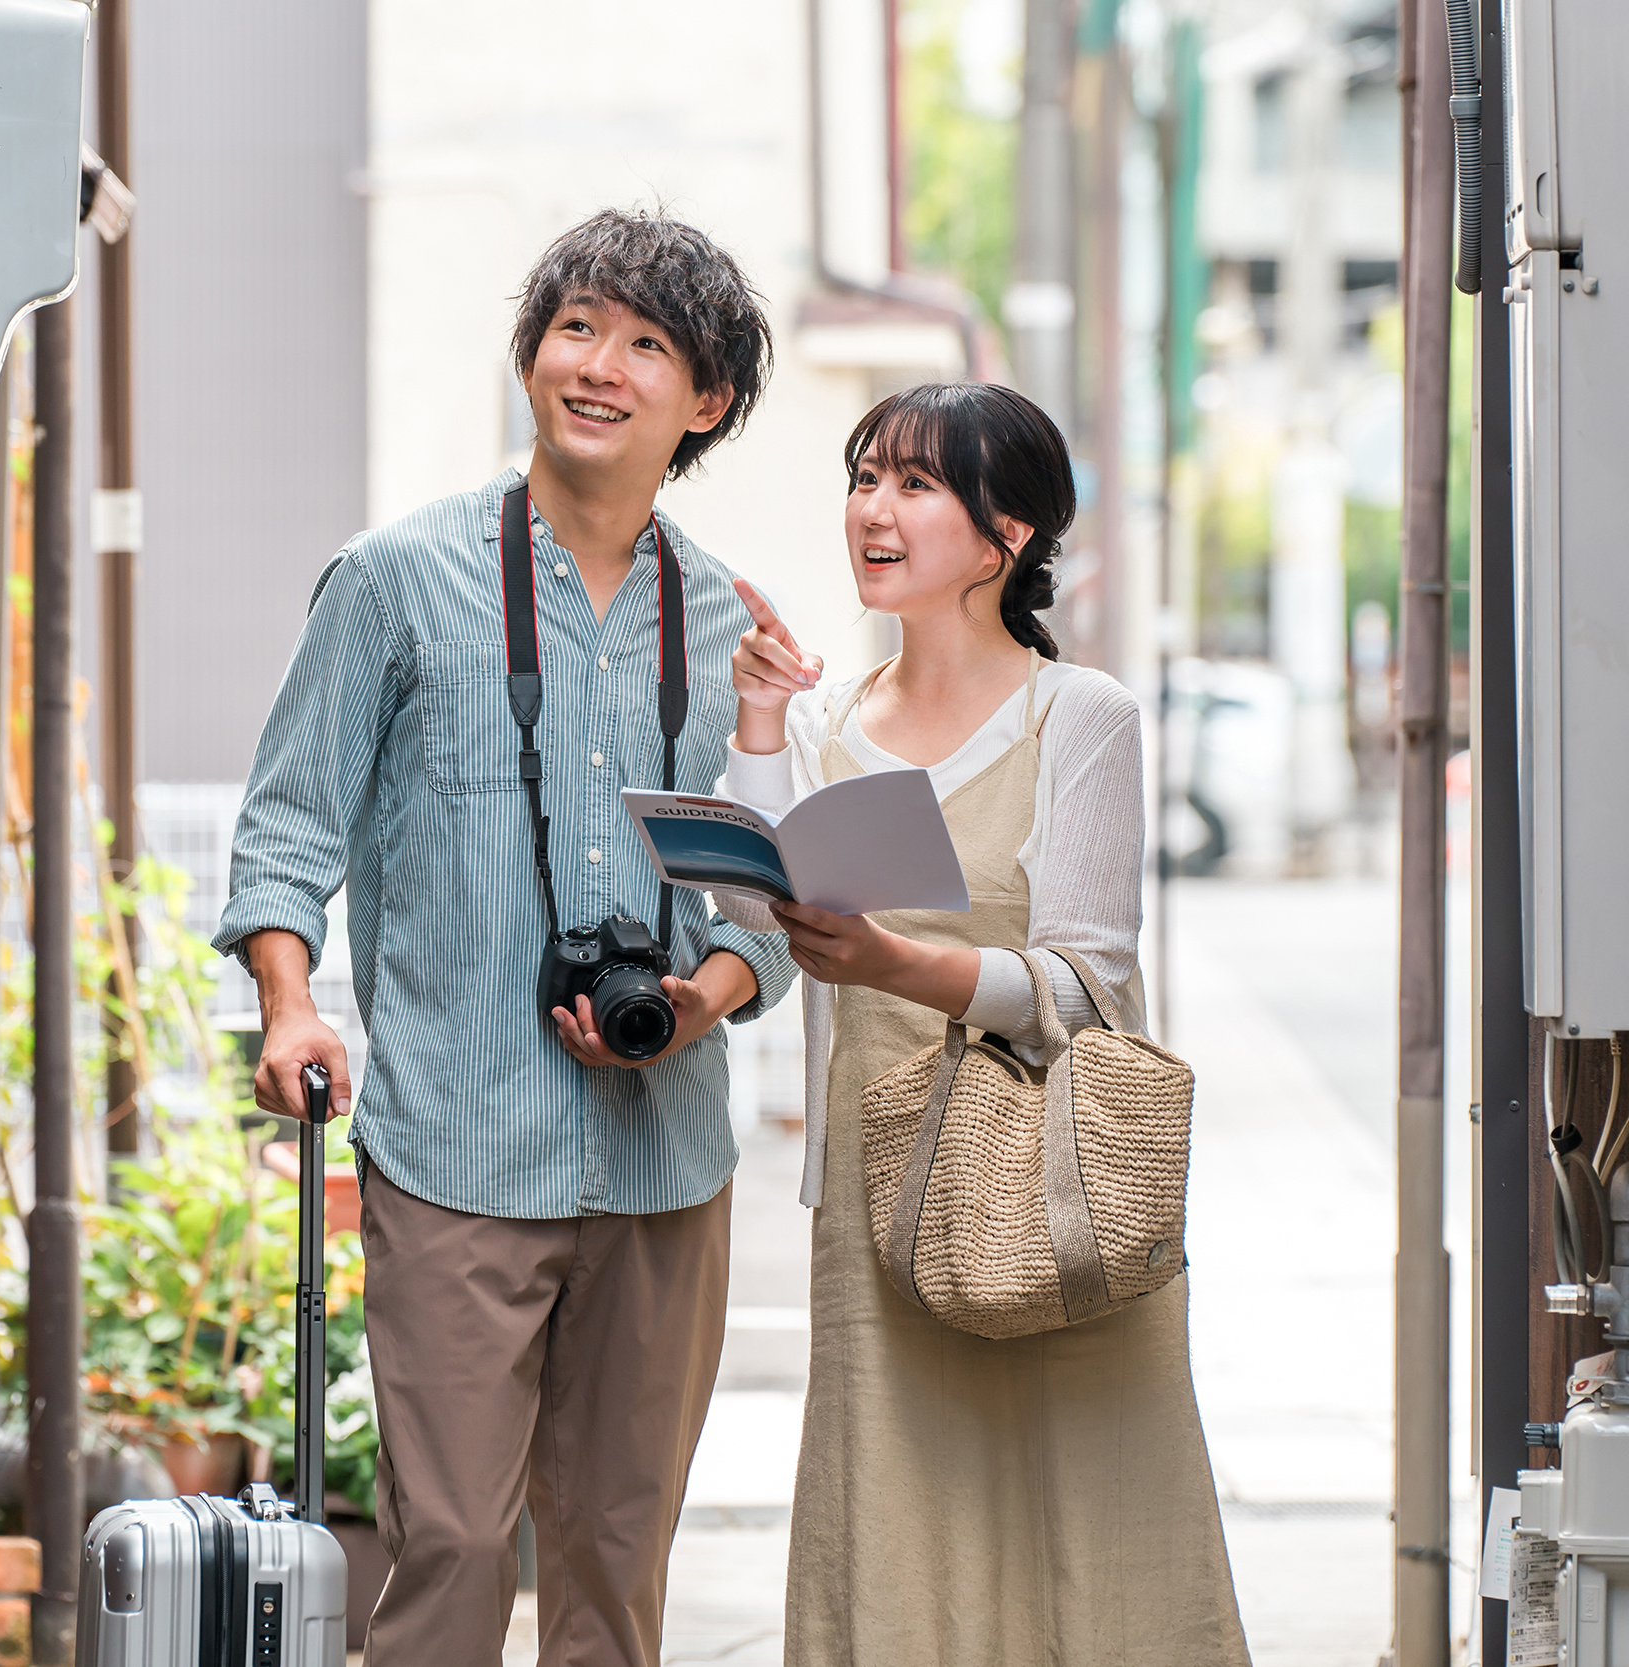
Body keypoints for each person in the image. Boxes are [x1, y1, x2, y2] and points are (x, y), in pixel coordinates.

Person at [215, 207, 798, 1667]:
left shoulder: (728, 621)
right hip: (457, 1144)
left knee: (614, 1558)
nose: (598, 366)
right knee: (456, 1545)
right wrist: (289, 1002)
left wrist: (704, 995)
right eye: (576, 329)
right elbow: (286, 825)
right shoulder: (395, 580)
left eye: (646, 345)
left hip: (665, 1159)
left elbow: (765, 906)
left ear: (705, 401)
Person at [718, 383, 1250, 1665]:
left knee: (1096, 1513)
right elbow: (754, 903)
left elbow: (1084, 983)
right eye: (864, 479)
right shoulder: (832, 724)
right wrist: (758, 724)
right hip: (881, 1183)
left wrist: (900, 961)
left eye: (914, 484)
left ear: (1006, 531)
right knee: (893, 1520)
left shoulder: (1079, 715)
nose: (873, 511)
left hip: (1050, 1173)